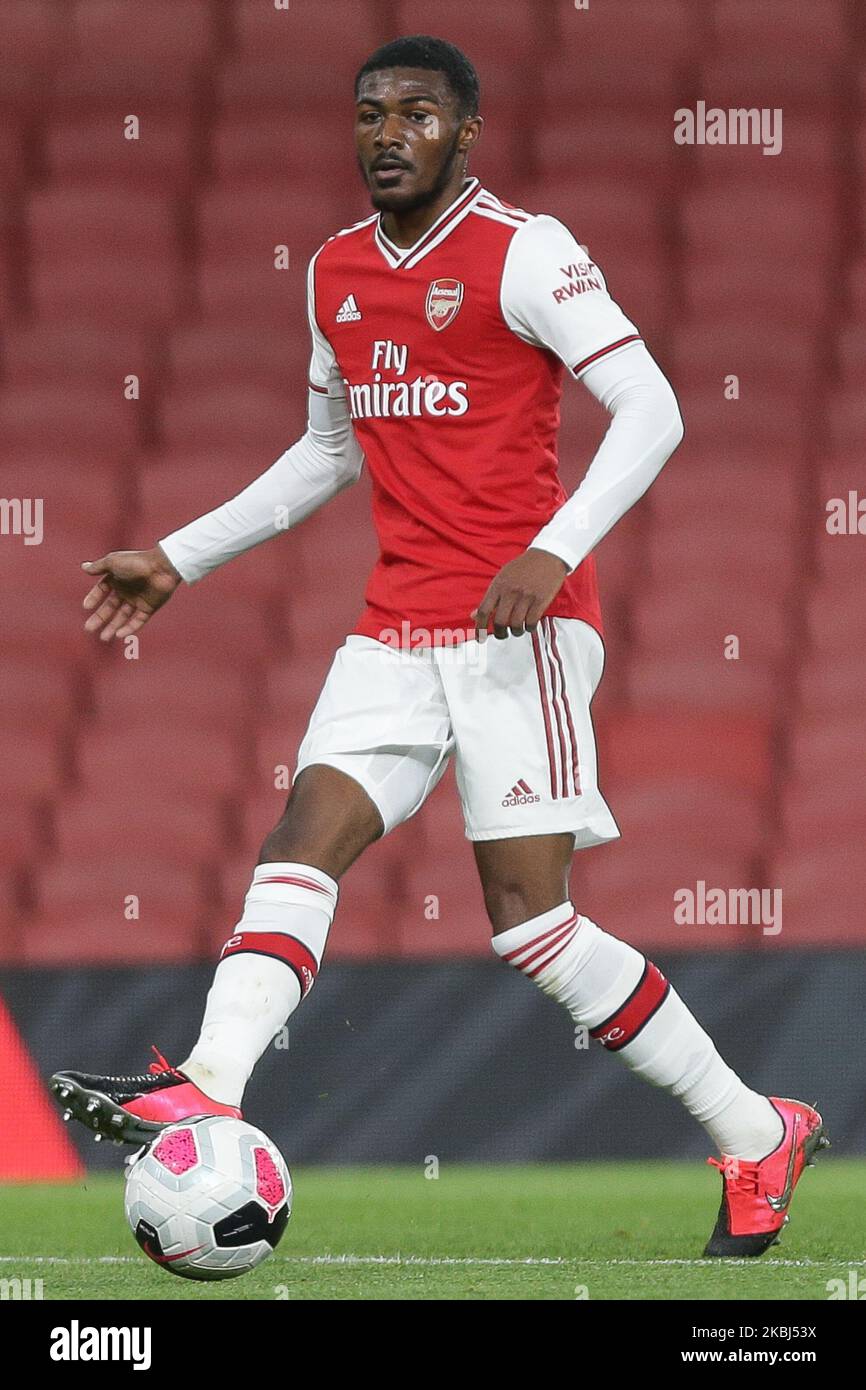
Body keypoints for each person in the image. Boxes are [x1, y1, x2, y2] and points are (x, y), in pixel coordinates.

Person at [52, 36, 826, 1257]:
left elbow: (654, 406)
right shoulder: (334, 271)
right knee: (300, 838)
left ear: (465, 133)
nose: (387, 133)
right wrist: (179, 555)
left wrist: (554, 549)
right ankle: (203, 1081)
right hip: (393, 628)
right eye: (369, 113)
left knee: (529, 927)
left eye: (417, 113)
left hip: (519, 632)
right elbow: (327, 447)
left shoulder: (527, 250)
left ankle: (751, 1129)